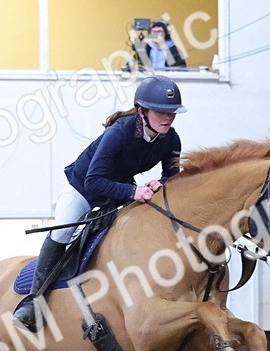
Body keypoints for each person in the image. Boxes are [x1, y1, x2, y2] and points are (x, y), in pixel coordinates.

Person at [13, 75, 186, 332]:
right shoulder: (119, 133)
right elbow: (94, 180)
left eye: (172, 112)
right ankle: (34, 300)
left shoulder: (171, 139)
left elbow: (172, 175)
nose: (168, 117)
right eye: (161, 112)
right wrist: (133, 191)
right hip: (84, 189)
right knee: (62, 233)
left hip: (119, 192)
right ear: (142, 111)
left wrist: (159, 183)